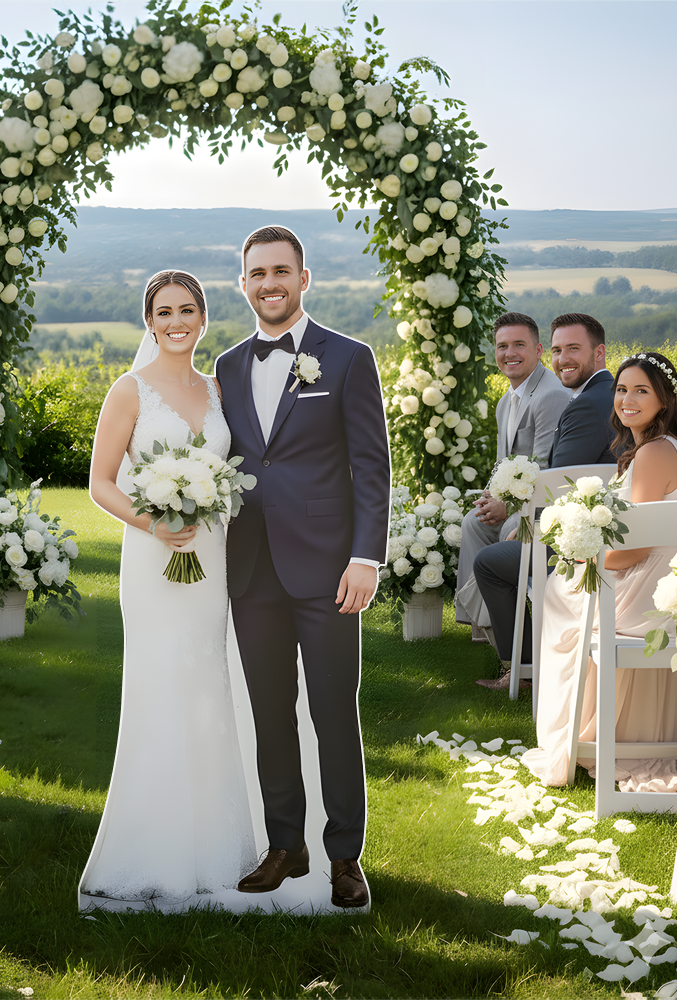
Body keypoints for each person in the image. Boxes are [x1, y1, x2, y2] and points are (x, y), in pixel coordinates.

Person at [215, 226, 391, 909]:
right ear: (244, 283)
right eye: (257, 272)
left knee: (332, 713)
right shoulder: (228, 366)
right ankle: (285, 846)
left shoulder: (347, 358)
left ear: (304, 278)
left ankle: (345, 855)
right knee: (269, 712)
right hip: (250, 568)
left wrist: (365, 556)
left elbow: (371, 466)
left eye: (281, 271)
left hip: (328, 569)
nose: (269, 283)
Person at [79, 270, 257, 908]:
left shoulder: (219, 390)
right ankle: (153, 842)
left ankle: (218, 839)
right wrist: (153, 520)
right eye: (163, 312)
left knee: (212, 683)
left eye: (187, 310)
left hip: (213, 555)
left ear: (203, 319)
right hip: (153, 558)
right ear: (149, 323)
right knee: (162, 683)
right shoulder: (130, 390)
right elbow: (101, 482)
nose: (176, 321)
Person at [522, 351, 677, 789]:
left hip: (649, 597)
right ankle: (601, 729)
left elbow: (630, 552)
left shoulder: (653, 454)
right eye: (622, 390)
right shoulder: (674, 450)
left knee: (557, 593)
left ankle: (577, 734)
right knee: (565, 585)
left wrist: (581, 558)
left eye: (641, 390)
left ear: (664, 400)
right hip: (668, 592)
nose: (627, 399)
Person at [473, 313, 617, 687]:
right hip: (596, 530)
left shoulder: (587, 404)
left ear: (599, 353)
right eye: (557, 350)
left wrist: (530, 530)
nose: (563, 359)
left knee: (490, 562)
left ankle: (522, 667)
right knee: (484, 533)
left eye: (574, 349)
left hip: (581, 544)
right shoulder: (604, 393)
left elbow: (560, 484)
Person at [454, 312, 571, 632]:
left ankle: (510, 640)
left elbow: (549, 468)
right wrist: (490, 499)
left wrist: (508, 506)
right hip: (516, 500)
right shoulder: (506, 401)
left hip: (545, 509)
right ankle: (485, 625)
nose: (509, 353)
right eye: (502, 346)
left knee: (506, 524)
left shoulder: (551, 395)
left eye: (519, 344)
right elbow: (503, 464)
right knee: (474, 521)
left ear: (538, 350)